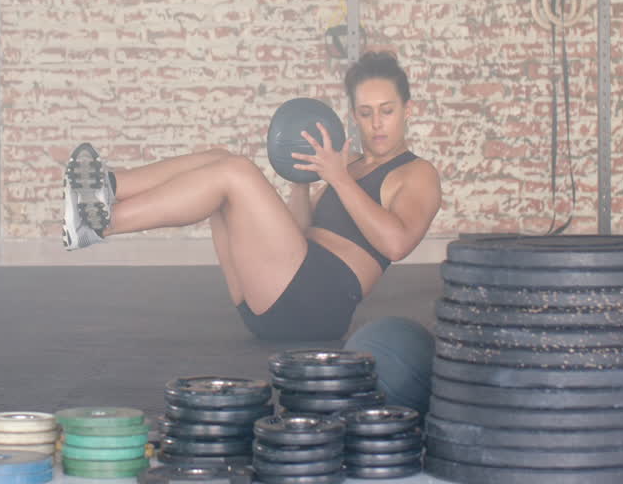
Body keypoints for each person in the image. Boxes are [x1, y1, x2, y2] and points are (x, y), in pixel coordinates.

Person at [61, 51, 442, 340]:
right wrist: (303, 181)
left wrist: (339, 180)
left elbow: (396, 244)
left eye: (387, 111)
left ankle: (102, 222)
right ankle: (108, 184)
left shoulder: (416, 173)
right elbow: (300, 234)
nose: (376, 124)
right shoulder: (348, 163)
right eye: (365, 113)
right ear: (354, 116)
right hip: (280, 292)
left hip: (316, 304)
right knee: (220, 158)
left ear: (408, 110)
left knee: (236, 172)